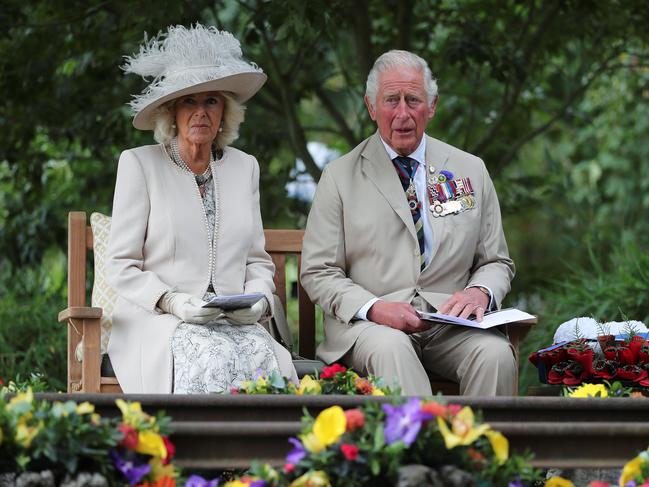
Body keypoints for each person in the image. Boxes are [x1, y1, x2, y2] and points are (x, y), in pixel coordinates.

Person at [300, 50, 516, 396]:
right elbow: (317, 271)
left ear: (431, 106)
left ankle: (479, 450)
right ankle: (424, 448)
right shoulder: (339, 176)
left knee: (495, 355)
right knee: (393, 350)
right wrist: (375, 308)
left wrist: (480, 291)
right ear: (372, 107)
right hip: (372, 328)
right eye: (391, 100)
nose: (402, 113)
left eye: (413, 100)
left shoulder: (469, 169)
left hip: (450, 326)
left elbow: (496, 261)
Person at [106, 24, 297, 394]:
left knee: (262, 357)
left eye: (211, 101)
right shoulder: (139, 164)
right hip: (159, 321)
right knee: (210, 357)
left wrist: (258, 301)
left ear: (225, 110)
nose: (200, 112)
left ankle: (263, 453)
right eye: (189, 102)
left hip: (234, 322)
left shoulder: (246, 168)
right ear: (170, 112)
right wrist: (172, 300)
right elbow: (121, 265)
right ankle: (195, 452)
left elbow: (258, 261)